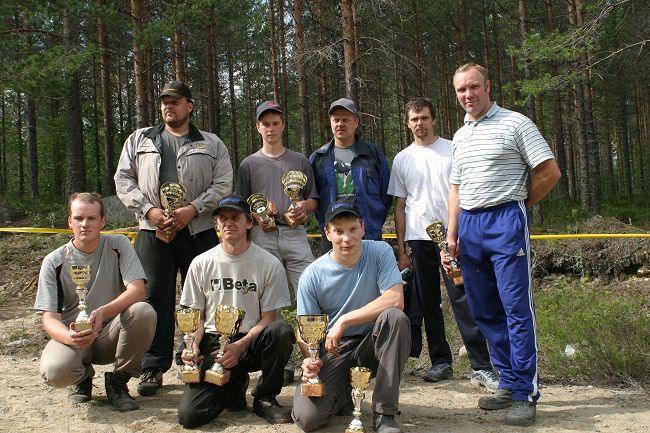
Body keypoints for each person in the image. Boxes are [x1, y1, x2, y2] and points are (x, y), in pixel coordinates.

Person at [445, 63, 561, 427]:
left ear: (487, 87)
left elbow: (549, 171)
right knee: (485, 310)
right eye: (462, 90)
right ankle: (507, 382)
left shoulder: (515, 123)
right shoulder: (460, 135)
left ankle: (525, 391)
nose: (468, 95)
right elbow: (456, 187)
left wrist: (519, 206)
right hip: (470, 225)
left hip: (506, 220)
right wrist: (451, 233)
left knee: (515, 308)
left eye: (474, 87)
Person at [114, 80, 233, 396]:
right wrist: (150, 211)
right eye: (165, 101)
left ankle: (204, 360)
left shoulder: (210, 143)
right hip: (153, 231)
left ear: (189, 106)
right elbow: (123, 181)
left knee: (204, 298)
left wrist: (192, 209)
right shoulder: (139, 140)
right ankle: (152, 366)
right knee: (154, 297)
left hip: (198, 229)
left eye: (176, 101)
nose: (169, 106)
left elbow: (223, 183)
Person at [388, 97, 498, 390]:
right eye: (414, 119)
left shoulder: (452, 149)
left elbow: (466, 193)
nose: (419, 124)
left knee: (463, 299)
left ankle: (481, 365)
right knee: (427, 304)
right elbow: (399, 206)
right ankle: (441, 361)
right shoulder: (402, 159)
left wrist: (459, 234)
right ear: (407, 123)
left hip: (454, 239)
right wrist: (401, 250)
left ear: (433, 119)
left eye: (424, 117)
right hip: (418, 239)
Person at [292, 200, 411, 433]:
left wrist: (344, 320)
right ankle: (344, 394)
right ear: (327, 233)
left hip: (373, 344)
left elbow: (396, 299)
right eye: (338, 231)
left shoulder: (380, 252)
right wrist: (310, 359)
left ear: (363, 228)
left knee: (395, 318)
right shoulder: (312, 275)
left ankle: (384, 414)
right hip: (334, 350)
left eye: (352, 229)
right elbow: (304, 329)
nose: (346, 238)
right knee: (308, 419)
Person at [177, 195, 294, 428]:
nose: (229, 222)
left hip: (252, 340)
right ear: (216, 225)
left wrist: (241, 346)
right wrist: (193, 345)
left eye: (236, 217)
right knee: (190, 416)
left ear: (249, 222)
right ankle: (232, 385)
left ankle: (265, 397)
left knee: (280, 331)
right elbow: (197, 316)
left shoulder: (268, 263)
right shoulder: (201, 263)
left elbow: (269, 317)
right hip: (214, 342)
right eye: (223, 218)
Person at [35, 192, 157, 412]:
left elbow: (137, 290)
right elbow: (49, 318)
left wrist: (103, 312)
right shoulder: (54, 261)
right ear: (70, 221)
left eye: (91, 218)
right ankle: (82, 378)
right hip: (74, 337)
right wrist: (69, 337)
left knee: (143, 311)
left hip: (110, 333)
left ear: (102, 221)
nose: (85, 224)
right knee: (54, 372)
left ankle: (118, 383)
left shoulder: (118, 244)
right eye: (79, 218)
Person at [237, 101, 319, 384]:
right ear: (258, 127)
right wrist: (256, 217)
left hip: (295, 234)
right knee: (266, 299)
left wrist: (303, 209)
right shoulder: (249, 164)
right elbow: (241, 204)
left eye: (275, 123)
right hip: (263, 236)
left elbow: (313, 199)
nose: (271, 128)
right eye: (265, 123)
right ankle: (278, 359)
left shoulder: (299, 161)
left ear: (283, 125)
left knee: (309, 291)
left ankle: (314, 356)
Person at [309, 98, 391, 254]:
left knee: (371, 278)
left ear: (356, 122)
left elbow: (385, 194)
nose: (340, 124)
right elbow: (314, 199)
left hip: (369, 234)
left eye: (345, 119)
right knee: (335, 278)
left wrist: (373, 221)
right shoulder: (318, 158)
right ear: (331, 123)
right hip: (333, 236)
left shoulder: (373, 154)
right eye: (336, 120)